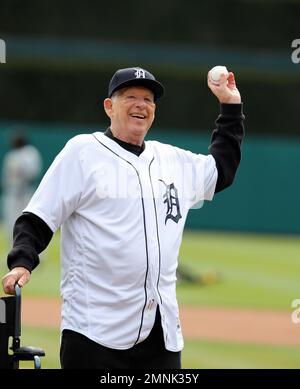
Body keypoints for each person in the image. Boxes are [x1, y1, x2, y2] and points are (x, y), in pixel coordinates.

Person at [1, 66, 244, 369]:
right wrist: (22, 261)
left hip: (162, 335)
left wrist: (230, 105)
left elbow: (221, 169)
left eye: (148, 99)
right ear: (109, 106)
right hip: (94, 333)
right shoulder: (83, 152)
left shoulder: (172, 160)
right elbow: (38, 217)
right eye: (130, 96)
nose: (141, 104)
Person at [1, 132, 42, 242]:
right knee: (11, 222)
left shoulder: (30, 153)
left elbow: (32, 173)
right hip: (12, 193)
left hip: (27, 192)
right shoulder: (11, 155)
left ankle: (36, 252)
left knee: (30, 222)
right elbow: (6, 177)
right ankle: (14, 249)